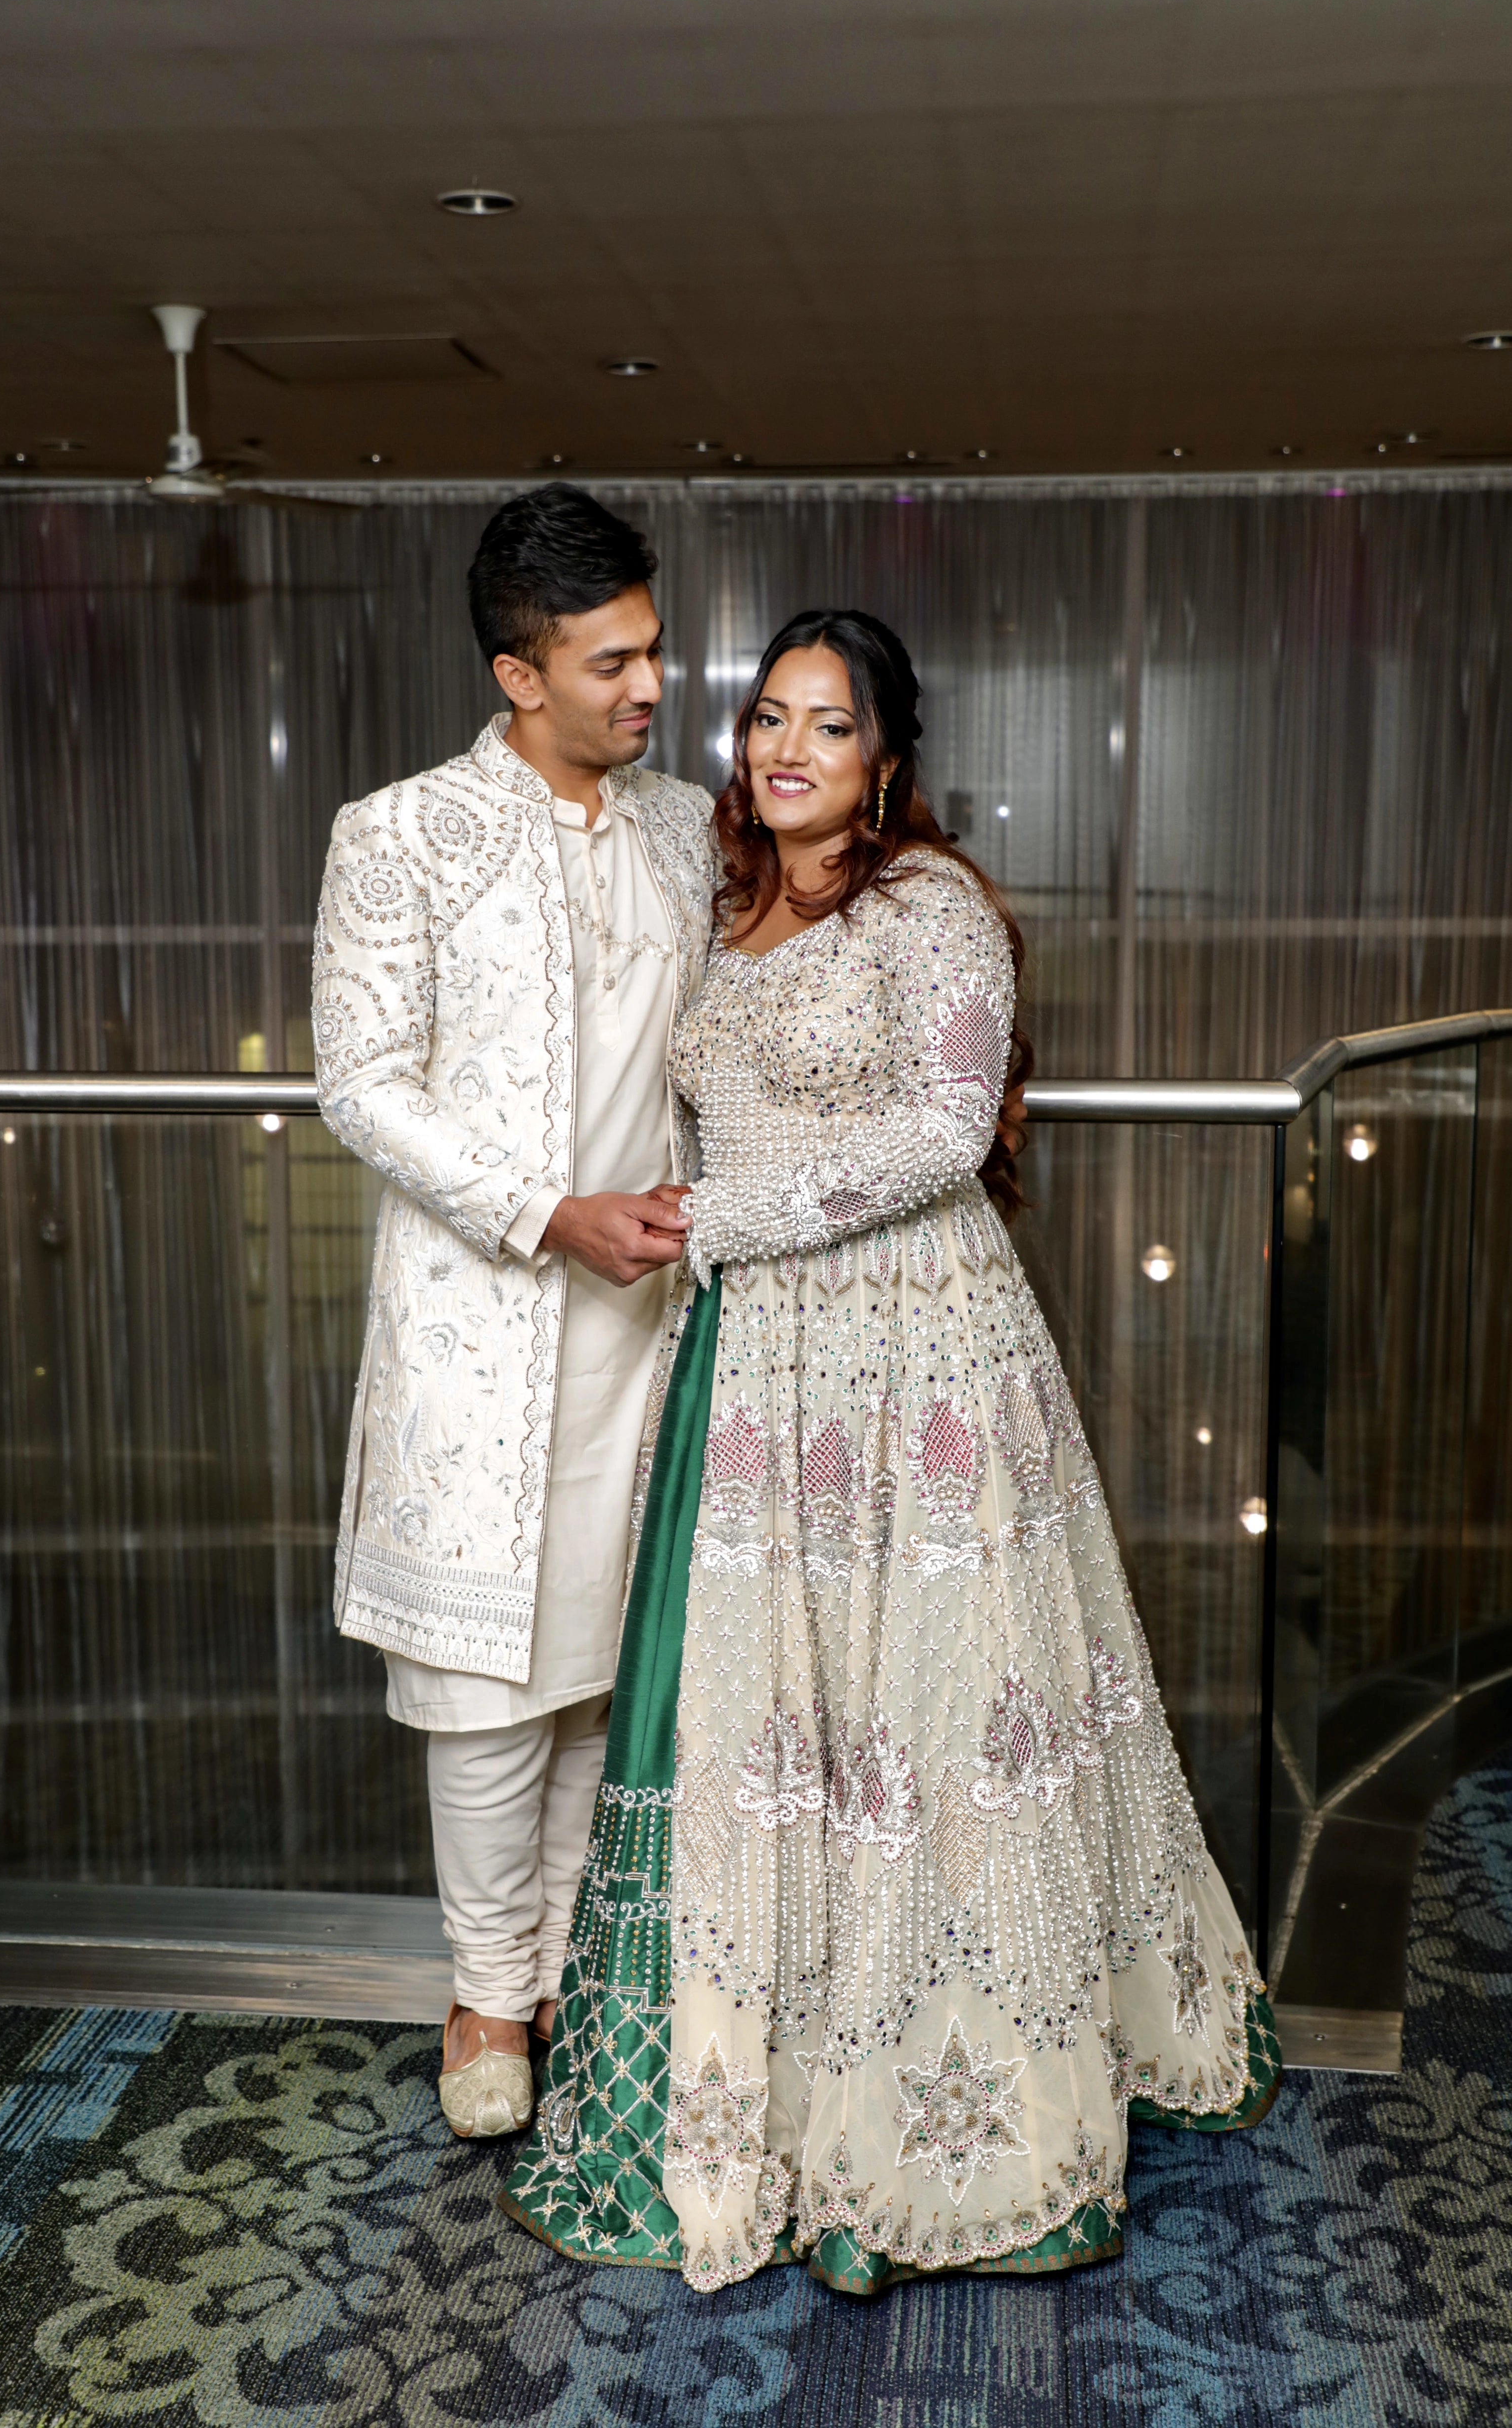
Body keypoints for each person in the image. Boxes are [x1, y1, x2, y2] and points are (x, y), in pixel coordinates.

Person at [502, 608, 1279, 2293]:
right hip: (758, 1373)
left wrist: (729, 1214)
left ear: (889, 763)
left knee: (922, 1715)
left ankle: (936, 2134)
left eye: (827, 727)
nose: (785, 749)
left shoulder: (934, 914)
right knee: (775, 1725)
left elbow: (940, 1132)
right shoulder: (720, 907)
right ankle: (756, 2111)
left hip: (916, 1351)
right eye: (768, 718)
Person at [313, 485, 715, 2139]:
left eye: (655, 649)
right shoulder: (398, 834)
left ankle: (567, 1977)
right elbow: (360, 1087)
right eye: (610, 661)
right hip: (490, 1320)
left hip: (663, 1320)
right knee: (488, 1685)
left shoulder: (692, 827)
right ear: (514, 673)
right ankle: (487, 2000)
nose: (649, 687)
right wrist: (550, 1215)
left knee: (609, 1671)